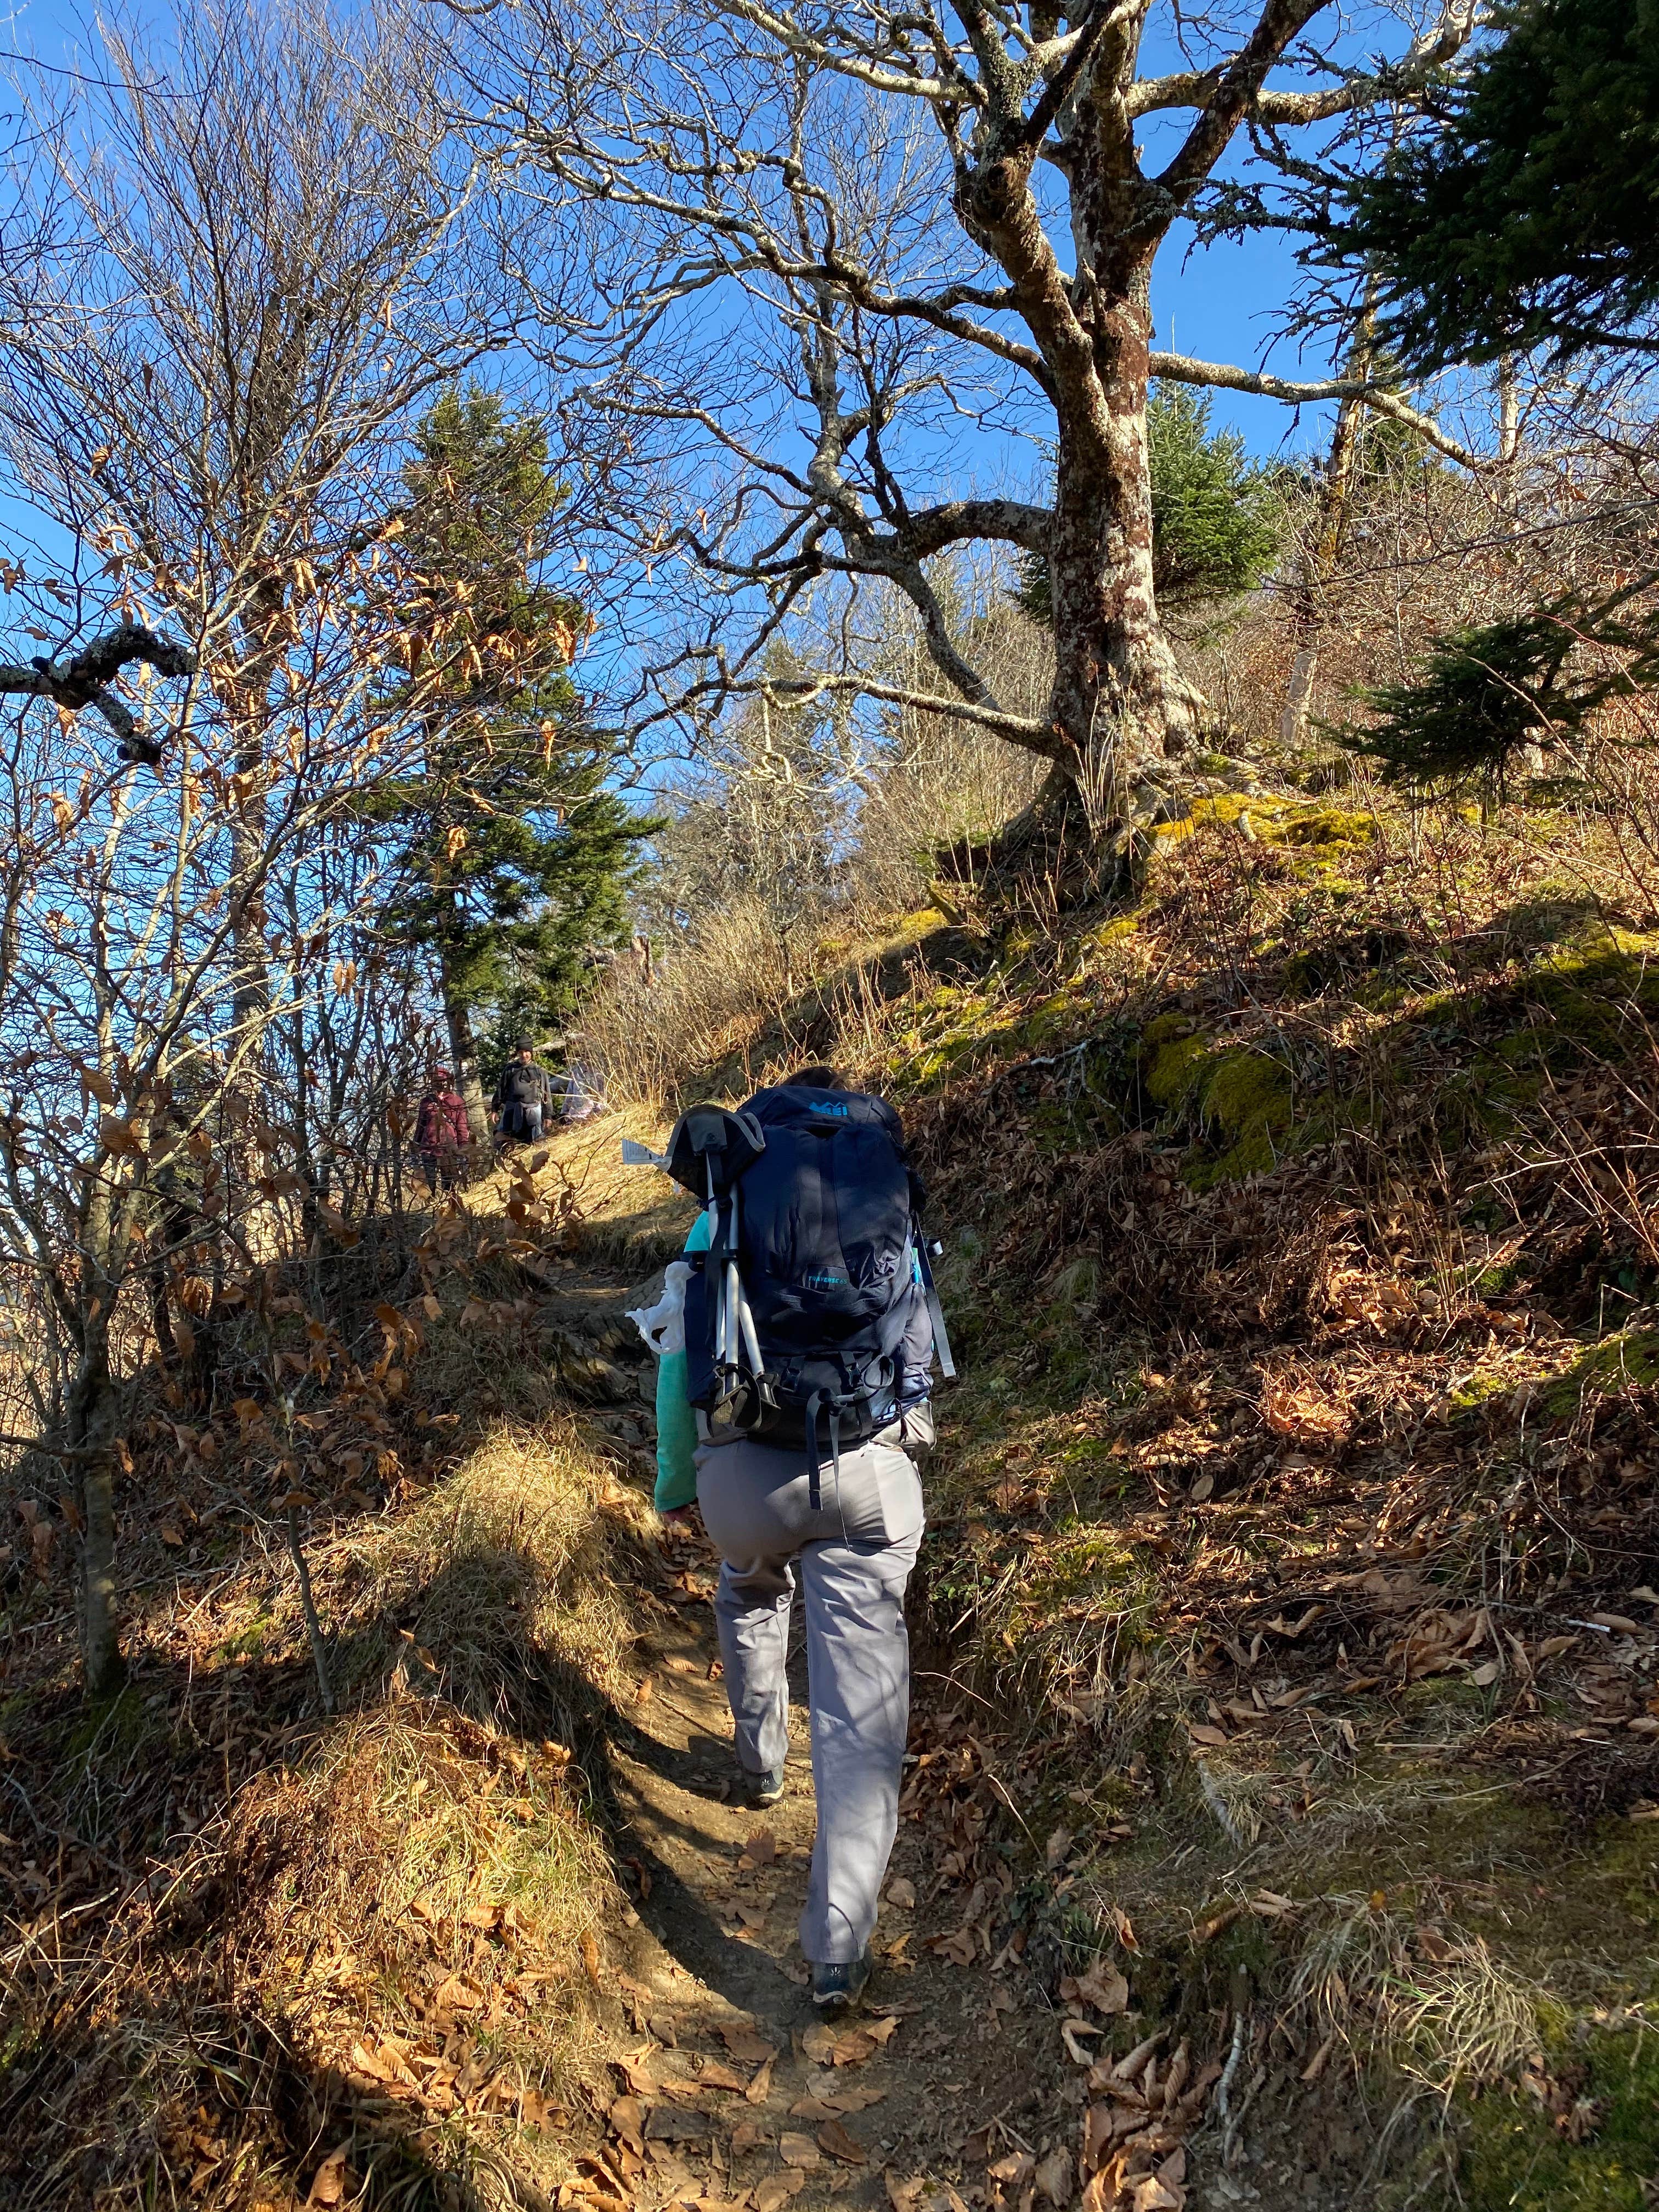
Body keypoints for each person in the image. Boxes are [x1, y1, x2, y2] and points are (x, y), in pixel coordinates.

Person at [651, 1063, 936, 2016]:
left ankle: (762, 1757)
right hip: (866, 1464)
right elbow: (918, 1349)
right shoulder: (877, 1189)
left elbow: (676, 1371)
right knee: (861, 1719)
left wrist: (674, 1486)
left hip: (747, 1477)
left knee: (749, 1587)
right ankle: (835, 1952)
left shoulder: (725, 1204)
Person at [414, 1065, 471, 1193]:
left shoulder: (457, 1101)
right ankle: (431, 1203)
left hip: (448, 1148)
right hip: (428, 1147)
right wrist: (416, 1144)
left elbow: (461, 1126)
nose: (439, 1087)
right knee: (430, 1182)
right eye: (436, 1083)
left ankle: (448, 1204)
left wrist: (464, 1147)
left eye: (442, 1083)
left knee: (448, 1182)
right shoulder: (426, 1102)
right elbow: (421, 1125)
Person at [492, 1039, 556, 1144]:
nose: (524, 1055)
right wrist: (495, 1109)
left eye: (527, 1052)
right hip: (511, 1109)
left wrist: (548, 1116)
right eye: (521, 1052)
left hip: (534, 1109)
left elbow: (546, 1095)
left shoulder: (539, 1071)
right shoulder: (510, 1070)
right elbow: (500, 1090)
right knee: (502, 1141)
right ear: (517, 1053)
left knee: (538, 1141)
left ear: (531, 1053)